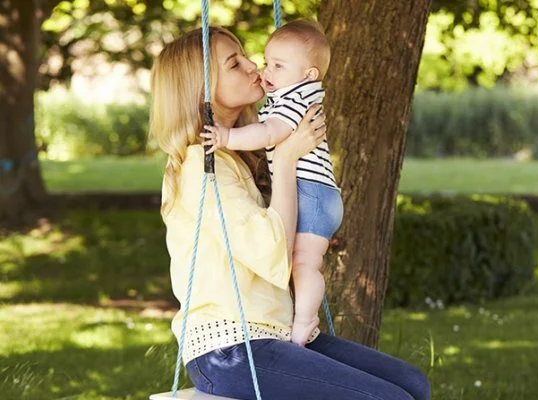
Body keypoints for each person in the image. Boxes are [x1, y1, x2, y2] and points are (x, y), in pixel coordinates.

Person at [150, 26, 430, 400]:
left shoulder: (243, 153)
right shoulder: (203, 166)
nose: (253, 67)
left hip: (276, 333)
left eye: (246, 56)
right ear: (201, 89)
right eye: (235, 63)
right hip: (229, 348)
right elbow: (271, 253)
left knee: (413, 385)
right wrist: (285, 159)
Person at [200, 20, 341, 346]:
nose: (265, 71)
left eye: (278, 66)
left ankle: (305, 321)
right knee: (301, 261)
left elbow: (268, 133)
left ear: (309, 74)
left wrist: (227, 137)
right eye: (267, 62)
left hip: (312, 194)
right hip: (315, 193)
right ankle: (303, 317)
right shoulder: (294, 93)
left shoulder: (295, 99)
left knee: (305, 263)